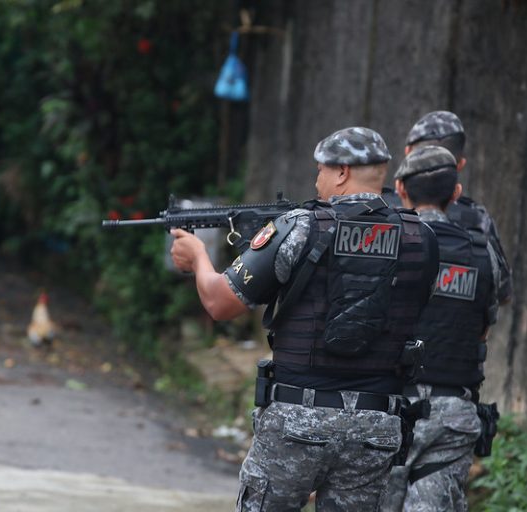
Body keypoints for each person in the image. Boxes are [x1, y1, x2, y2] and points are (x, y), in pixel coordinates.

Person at [170, 126, 440, 511]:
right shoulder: (423, 238)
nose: (317, 181)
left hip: (298, 422)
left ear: (342, 172)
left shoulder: (301, 226)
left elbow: (219, 302)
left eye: (321, 171)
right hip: (376, 427)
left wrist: (197, 256)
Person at [380, 146, 500, 512]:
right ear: (456, 194)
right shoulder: (483, 253)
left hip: (389, 410)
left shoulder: (387, 243)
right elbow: (482, 328)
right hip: (453, 413)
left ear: (400, 188)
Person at [403, 110, 512, 304]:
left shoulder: (384, 211)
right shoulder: (478, 219)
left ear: (407, 155)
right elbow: (502, 292)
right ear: (459, 165)